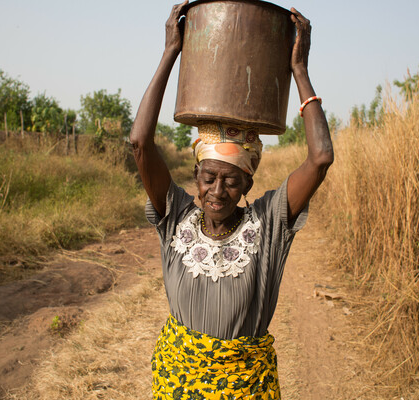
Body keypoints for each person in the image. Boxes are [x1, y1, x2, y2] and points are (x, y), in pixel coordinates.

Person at [130, 1, 333, 398]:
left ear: (248, 185)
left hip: (247, 387)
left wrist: (299, 71)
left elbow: (321, 157)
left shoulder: (267, 224)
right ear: (196, 177)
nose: (217, 192)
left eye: (231, 181)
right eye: (209, 179)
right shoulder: (176, 217)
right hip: (179, 382)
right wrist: (171, 50)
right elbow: (140, 142)